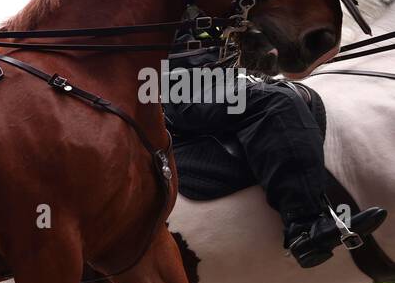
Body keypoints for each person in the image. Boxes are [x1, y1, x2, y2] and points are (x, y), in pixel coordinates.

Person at [162, 27, 385, 268]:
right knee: (277, 103)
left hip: (217, 80)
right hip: (183, 92)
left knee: (291, 91)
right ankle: (305, 227)